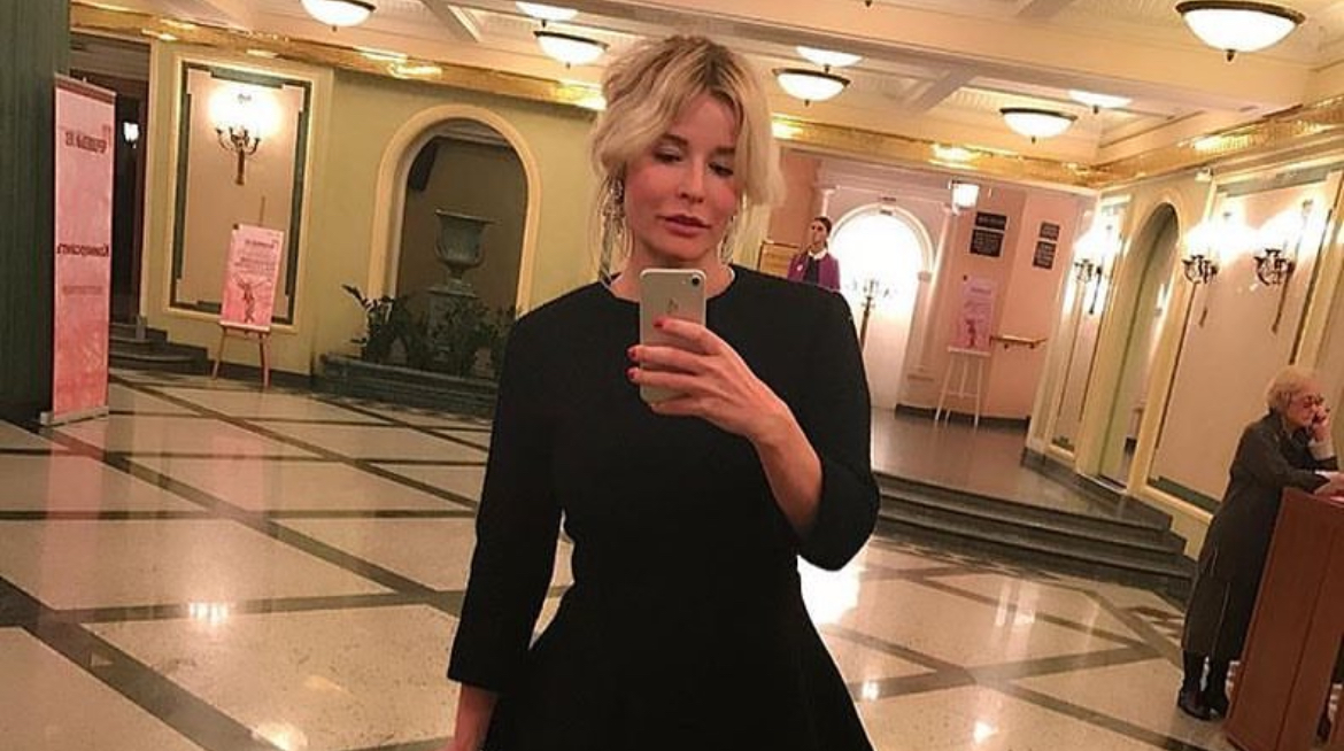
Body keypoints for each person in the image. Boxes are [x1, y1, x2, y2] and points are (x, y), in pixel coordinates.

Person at [443, 36, 879, 751]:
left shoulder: (809, 326)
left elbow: (839, 536)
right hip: (595, 697)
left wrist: (769, 422)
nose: (695, 188)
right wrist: (469, 738)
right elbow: (508, 560)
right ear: (622, 161)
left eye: (723, 167)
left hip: (762, 698)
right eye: (669, 154)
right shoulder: (550, 343)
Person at [1178, 366, 1339, 722]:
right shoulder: (1259, 435)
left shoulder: (1300, 442)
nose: (1315, 409)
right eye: (1308, 401)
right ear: (1284, 400)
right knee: (1210, 613)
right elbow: (1282, 477)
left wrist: (1323, 440)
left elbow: (1328, 482)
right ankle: (1190, 686)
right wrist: (1326, 478)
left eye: (1319, 401)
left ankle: (1216, 687)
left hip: (1267, 544)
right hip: (1235, 538)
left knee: (1236, 618)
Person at [787, 216, 841, 291]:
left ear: (827, 235)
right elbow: (789, 284)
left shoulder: (832, 264)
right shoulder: (798, 259)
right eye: (813, 228)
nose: (815, 232)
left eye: (820, 229)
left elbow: (834, 291)